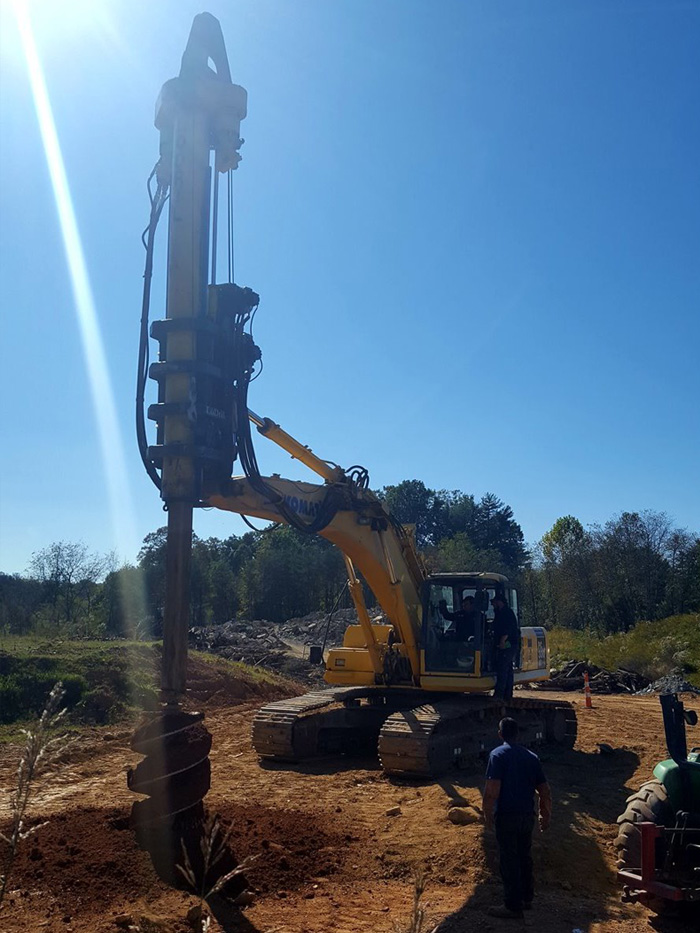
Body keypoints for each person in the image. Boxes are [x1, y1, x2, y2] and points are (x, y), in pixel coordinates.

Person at [482, 717, 552, 919]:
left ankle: (512, 906)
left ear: (500, 734)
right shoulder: (532, 757)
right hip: (526, 817)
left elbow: (492, 790)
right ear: (518, 735)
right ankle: (527, 898)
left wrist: (487, 813)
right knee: (524, 856)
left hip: (507, 816)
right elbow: (544, 790)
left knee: (509, 860)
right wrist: (544, 814)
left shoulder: (497, 755)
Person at [491, 591, 519, 700]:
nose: (492, 605)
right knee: (508, 669)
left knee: (502, 668)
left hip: (509, 644)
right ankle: (507, 694)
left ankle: (499, 695)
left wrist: (502, 641)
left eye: (494, 602)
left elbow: (508, 629)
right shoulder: (500, 613)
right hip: (507, 644)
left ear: (499, 602)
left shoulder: (506, 613)